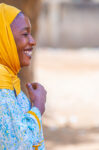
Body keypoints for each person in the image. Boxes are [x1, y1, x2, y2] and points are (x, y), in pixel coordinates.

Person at [0, 3, 46, 150]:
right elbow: (19, 145)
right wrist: (37, 108)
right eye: (25, 34)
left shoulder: (10, 84)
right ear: (4, 38)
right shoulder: (2, 91)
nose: (33, 41)